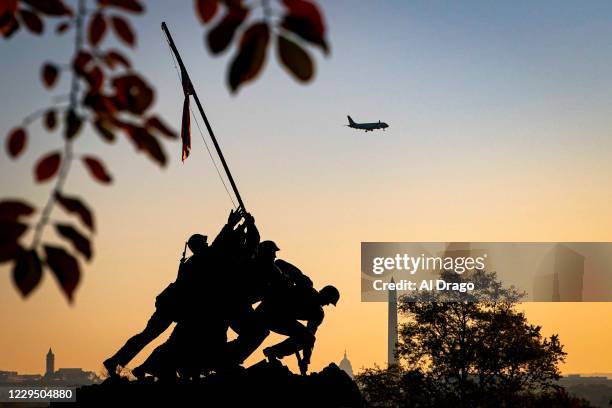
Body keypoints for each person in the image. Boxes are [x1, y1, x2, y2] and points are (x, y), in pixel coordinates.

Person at [103, 233, 209, 376]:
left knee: (147, 336)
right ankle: (116, 362)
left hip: (172, 307)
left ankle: (116, 361)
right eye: (204, 243)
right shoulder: (195, 262)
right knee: (148, 336)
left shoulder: (193, 261)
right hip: (171, 308)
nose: (207, 245)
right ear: (199, 247)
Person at [261, 285, 340, 375]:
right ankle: (274, 351)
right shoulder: (306, 291)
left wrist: (306, 359)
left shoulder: (318, 314)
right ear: (323, 293)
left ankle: (273, 351)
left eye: (329, 302)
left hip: (284, 321)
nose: (327, 304)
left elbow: (309, 338)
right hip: (271, 312)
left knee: (305, 339)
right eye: (328, 300)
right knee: (307, 337)